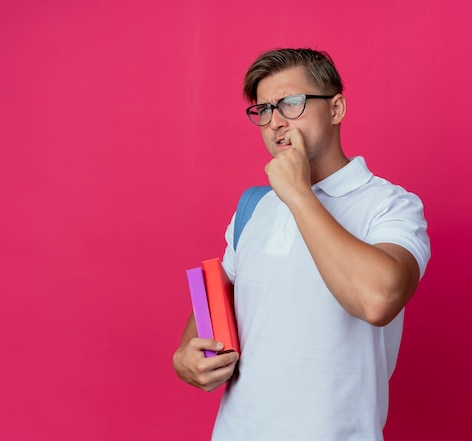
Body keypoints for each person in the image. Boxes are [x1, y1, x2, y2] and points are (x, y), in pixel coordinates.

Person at [173, 48, 430, 441]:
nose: (275, 122)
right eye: (263, 110)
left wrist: (299, 194)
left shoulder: (390, 205)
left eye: (291, 104)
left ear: (336, 109)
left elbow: (378, 301)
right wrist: (187, 355)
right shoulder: (253, 206)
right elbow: (215, 303)